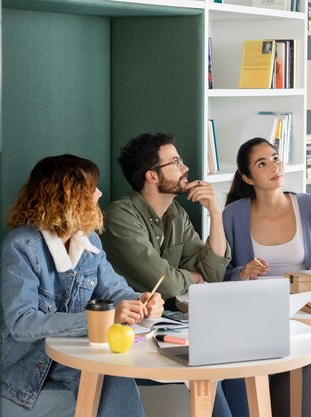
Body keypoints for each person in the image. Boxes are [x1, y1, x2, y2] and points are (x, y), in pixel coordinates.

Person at [0, 154, 164, 417]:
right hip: (3, 378)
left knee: (109, 375)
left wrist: (140, 300)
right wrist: (105, 318)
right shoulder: (21, 248)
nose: (99, 193)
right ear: (69, 197)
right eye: (91, 188)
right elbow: (23, 322)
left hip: (54, 366)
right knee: (102, 388)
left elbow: (113, 289)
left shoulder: (88, 243)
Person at [100, 132, 246, 417]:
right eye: (176, 162)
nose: (185, 169)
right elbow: (165, 282)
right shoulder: (121, 217)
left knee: (236, 356)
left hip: (174, 326)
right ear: (152, 176)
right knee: (210, 363)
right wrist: (191, 277)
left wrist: (215, 212)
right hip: (135, 337)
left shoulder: (176, 214)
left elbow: (212, 274)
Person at [220, 137, 311, 417]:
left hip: (307, 312)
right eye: (262, 163)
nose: (274, 166)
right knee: (237, 364)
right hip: (256, 315)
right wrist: (242, 273)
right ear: (247, 177)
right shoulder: (232, 215)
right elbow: (219, 272)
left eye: (275, 158)